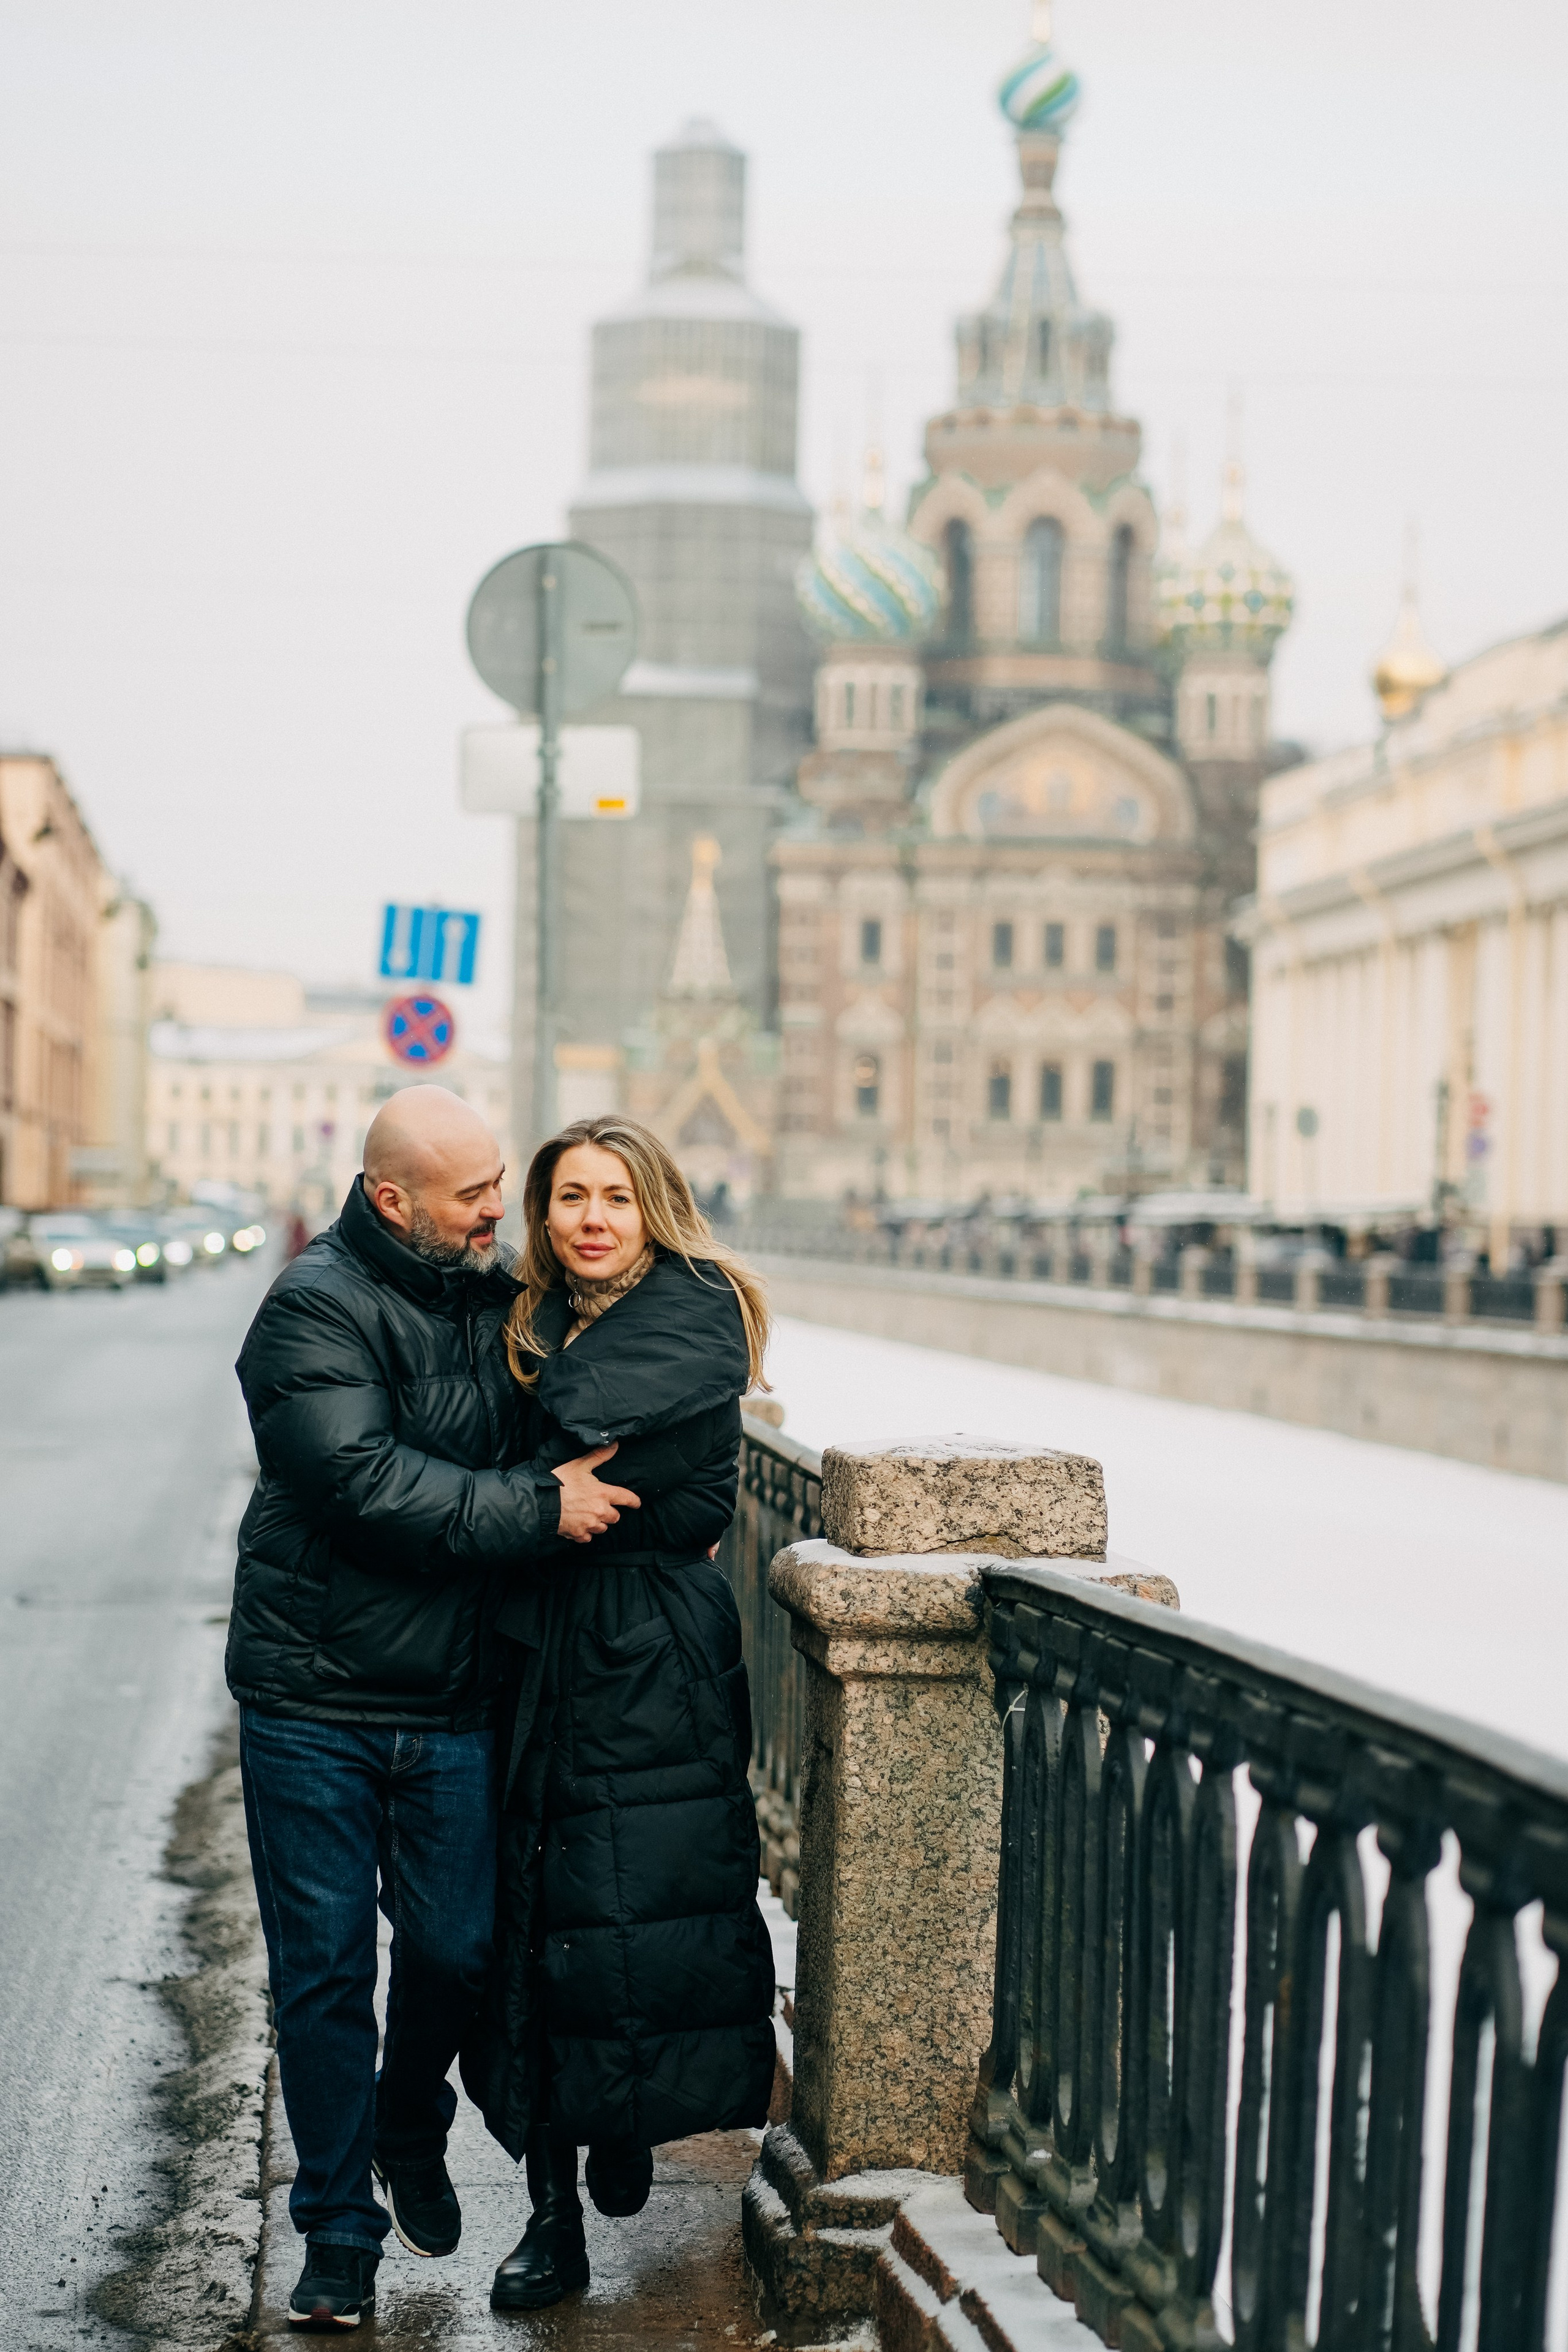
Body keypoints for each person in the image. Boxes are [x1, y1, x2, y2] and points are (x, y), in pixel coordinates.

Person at [227, 1085, 641, 2333]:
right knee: (324, 1975)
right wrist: (532, 1507)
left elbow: (624, 1359)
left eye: (499, 1188)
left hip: (454, 1694)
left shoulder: (498, 1300)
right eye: (473, 1196)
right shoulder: (309, 1309)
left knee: (459, 1955)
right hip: (313, 1697)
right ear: (393, 1199)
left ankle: (412, 2117)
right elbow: (361, 1480)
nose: (492, 1214)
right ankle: (338, 2233)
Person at [464, 1116, 777, 2313]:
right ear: (542, 1215)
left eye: (613, 1196)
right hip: (529, 1650)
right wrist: (540, 1499)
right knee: (533, 1921)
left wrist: (531, 1492)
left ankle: (627, 2121)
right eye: (567, 1198)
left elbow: (666, 1478)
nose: (589, 1217)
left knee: (631, 1910)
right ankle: (550, 2217)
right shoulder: (518, 1325)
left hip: (648, 1656)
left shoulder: (694, 1315)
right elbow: (517, 1476)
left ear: (655, 1209)